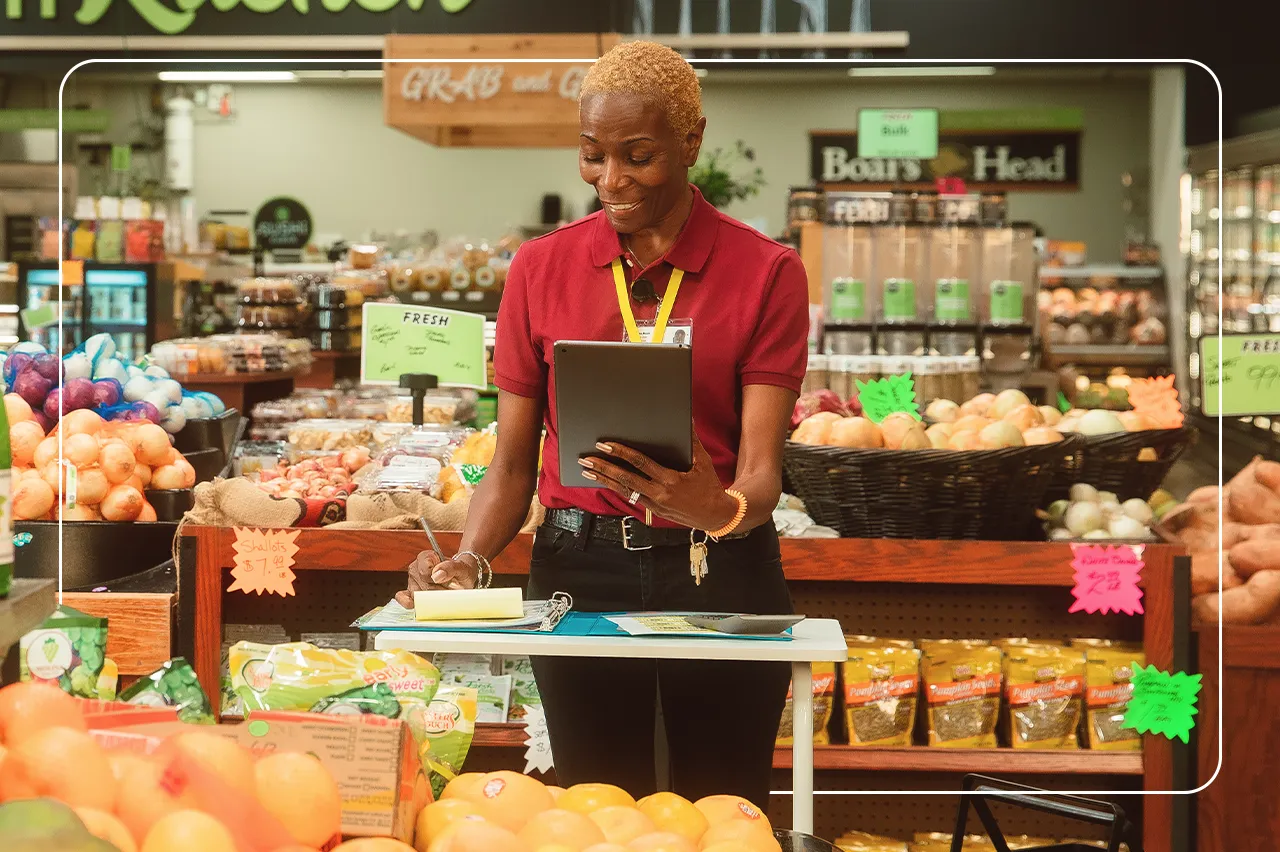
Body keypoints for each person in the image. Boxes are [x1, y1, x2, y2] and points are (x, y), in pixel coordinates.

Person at [398, 40, 808, 809]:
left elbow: (760, 473)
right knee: (596, 808)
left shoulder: (766, 272)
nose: (611, 181)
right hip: (577, 571)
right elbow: (514, 466)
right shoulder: (540, 269)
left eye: (640, 156)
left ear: (691, 142)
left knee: (723, 806)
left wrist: (717, 511)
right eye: (593, 155)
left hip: (719, 569)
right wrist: (467, 562)